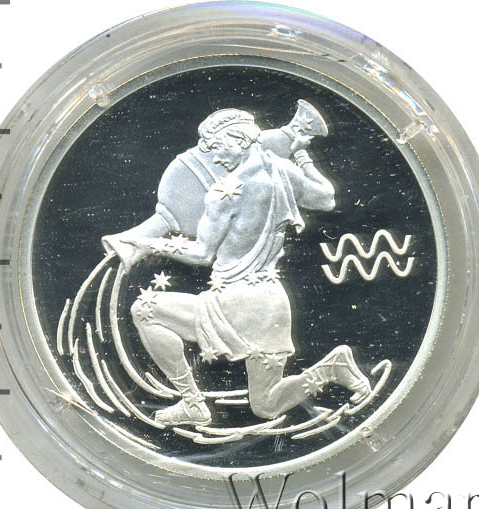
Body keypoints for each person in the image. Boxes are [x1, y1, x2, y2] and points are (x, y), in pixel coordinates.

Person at [122, 108, 371, 427]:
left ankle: (192, 403)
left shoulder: (224, 193)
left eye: (216, 147)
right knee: (266, 405)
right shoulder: (282, 171)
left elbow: (202, 254)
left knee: (146, 310)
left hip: (234, 300)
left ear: (238, 140)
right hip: (271, 303)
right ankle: (333, 368)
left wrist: (151, 244)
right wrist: (301, 155)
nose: (214, 157)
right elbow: (326, 198)